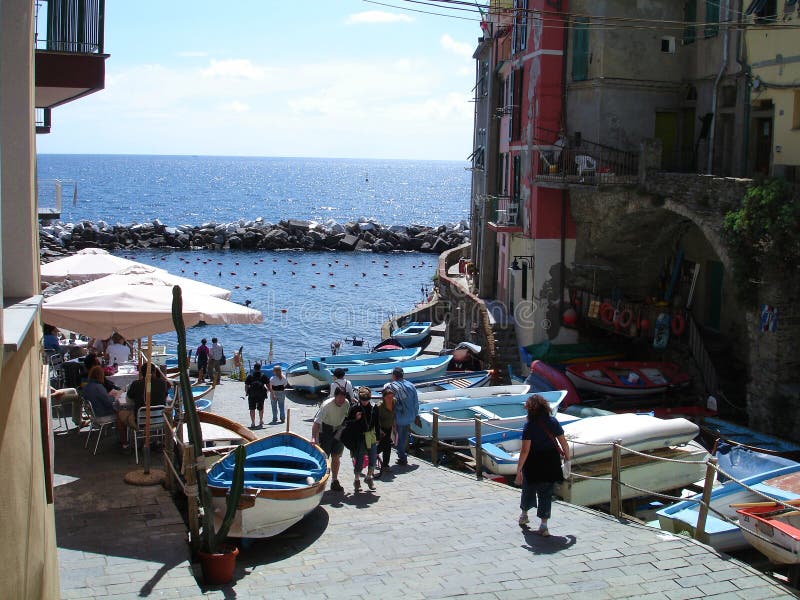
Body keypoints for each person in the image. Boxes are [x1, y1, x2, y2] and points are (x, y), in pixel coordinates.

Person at [515, 394, 570, 536]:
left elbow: (525, 450)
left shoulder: (529, 426)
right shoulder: (553, 422)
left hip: (533, 461)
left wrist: (519, 469)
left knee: (529, 488)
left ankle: (524, 514)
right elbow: (564, 443)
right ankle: (544, 525)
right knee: (546, 493)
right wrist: (567, 458)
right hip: (551, 460)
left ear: (530, 409)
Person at [82, 365, 135, 449]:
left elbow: (102, 398)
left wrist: (108, 395)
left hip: (94, 413)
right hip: (102, 414)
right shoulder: (98, 387)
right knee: (121, 415)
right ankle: (124, 441)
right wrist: (115, 395)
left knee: (120, 410)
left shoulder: (86, 386)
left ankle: (122, 438)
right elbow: (109, 402)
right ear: (100, 375)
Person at [311, 387, 350, 492]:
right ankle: (319, 482)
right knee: (324, 458)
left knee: (336, 457)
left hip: (339, 429)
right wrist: (313, 438)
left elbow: (347, 418)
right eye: (340, 397)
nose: (341, 400)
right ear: (335, 396)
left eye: (343, 397)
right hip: (325, 430)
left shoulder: (346, 403)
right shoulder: (326, 405)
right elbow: (316, 423)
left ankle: (334, 480)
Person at [342, 387, 380, 492]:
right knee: (359, 459)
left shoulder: (374, 407)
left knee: (373, 458)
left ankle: (369, 477)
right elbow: (346, 423)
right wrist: (355, 419)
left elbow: (377, 422)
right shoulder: (354, 408)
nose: (365, 402)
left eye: (367, 400)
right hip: (359, 437)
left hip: (371, 435)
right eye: (363, 400)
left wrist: (378, 438)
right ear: (359, 399)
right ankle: (357, 480)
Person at [386, 366, 419, 466]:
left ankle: (402, 457)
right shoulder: (411, 385)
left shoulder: (392, 387)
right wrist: (415, 414)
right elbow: (416, 402)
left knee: (398, 438)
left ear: (394, 375)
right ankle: (402, 454)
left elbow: (393, 404)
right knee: (404, 437)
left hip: (399, 417)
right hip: (410, 416)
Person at [376, 387, 396, 478]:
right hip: (381, 429)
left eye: (391, 397)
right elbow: (376, 420)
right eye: (388, 397)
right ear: (383, 397)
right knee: (385, 446)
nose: (390, 399)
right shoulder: (379, 406)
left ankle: (385, 465)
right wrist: (379, 430)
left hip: (389, 427)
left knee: (387, 446)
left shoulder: (394, 402)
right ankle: (372, 455)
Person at [245, 363, 269, 428]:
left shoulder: (250, 376)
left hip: (252, 395)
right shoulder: (263, 376)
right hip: (261, 395)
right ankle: (261, 420)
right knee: (261, 408)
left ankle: (253, 422)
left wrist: (247, 392)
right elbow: (268, 385)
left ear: (254, 368)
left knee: (252, 409)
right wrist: (269, 391)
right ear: (260, 368)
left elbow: (246, 386)